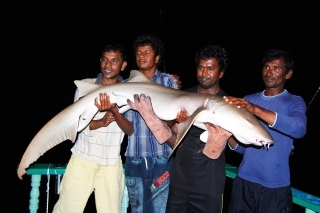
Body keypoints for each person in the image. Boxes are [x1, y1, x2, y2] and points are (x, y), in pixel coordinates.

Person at [52, 44, 133, 213]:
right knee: (66, 210)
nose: (107, 65)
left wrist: (114, 111)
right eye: (104, 59)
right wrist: (101, 122)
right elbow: (76, 124)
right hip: (82, 158)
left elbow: (130, 130)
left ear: (123, 65)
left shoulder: (130, 92)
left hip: (111, 162)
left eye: (114, 61)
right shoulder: (85, 87)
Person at [225, 49, 307, 213]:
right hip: (244, 181)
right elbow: (242, 148)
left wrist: (255, 110)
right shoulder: (248, 99)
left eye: (276, 68)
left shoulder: (293, 102)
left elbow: (299, 129)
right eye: (266, 67)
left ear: (288, 74)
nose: (269, 72)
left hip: (275, 187)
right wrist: (226, 134)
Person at [165, 44, 233, 213]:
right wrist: (175, 121)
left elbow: (235, 144)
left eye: (210, 68)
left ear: (221, 73)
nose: (204, 73)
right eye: (201, 67)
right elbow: (168, 130)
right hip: (179, 182)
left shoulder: (228, 104)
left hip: (209, 186)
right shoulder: (184, 96)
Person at [123, 34, 179, 213]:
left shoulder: (168, 81)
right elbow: (129, 128)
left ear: (157, 58)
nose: (142, 56)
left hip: (162, 156)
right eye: (139, 52)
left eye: (147, 52)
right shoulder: (126, 84)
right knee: (138, 209)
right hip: (135, 156)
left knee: (159, 209)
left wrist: (153, 116)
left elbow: (175, 118)